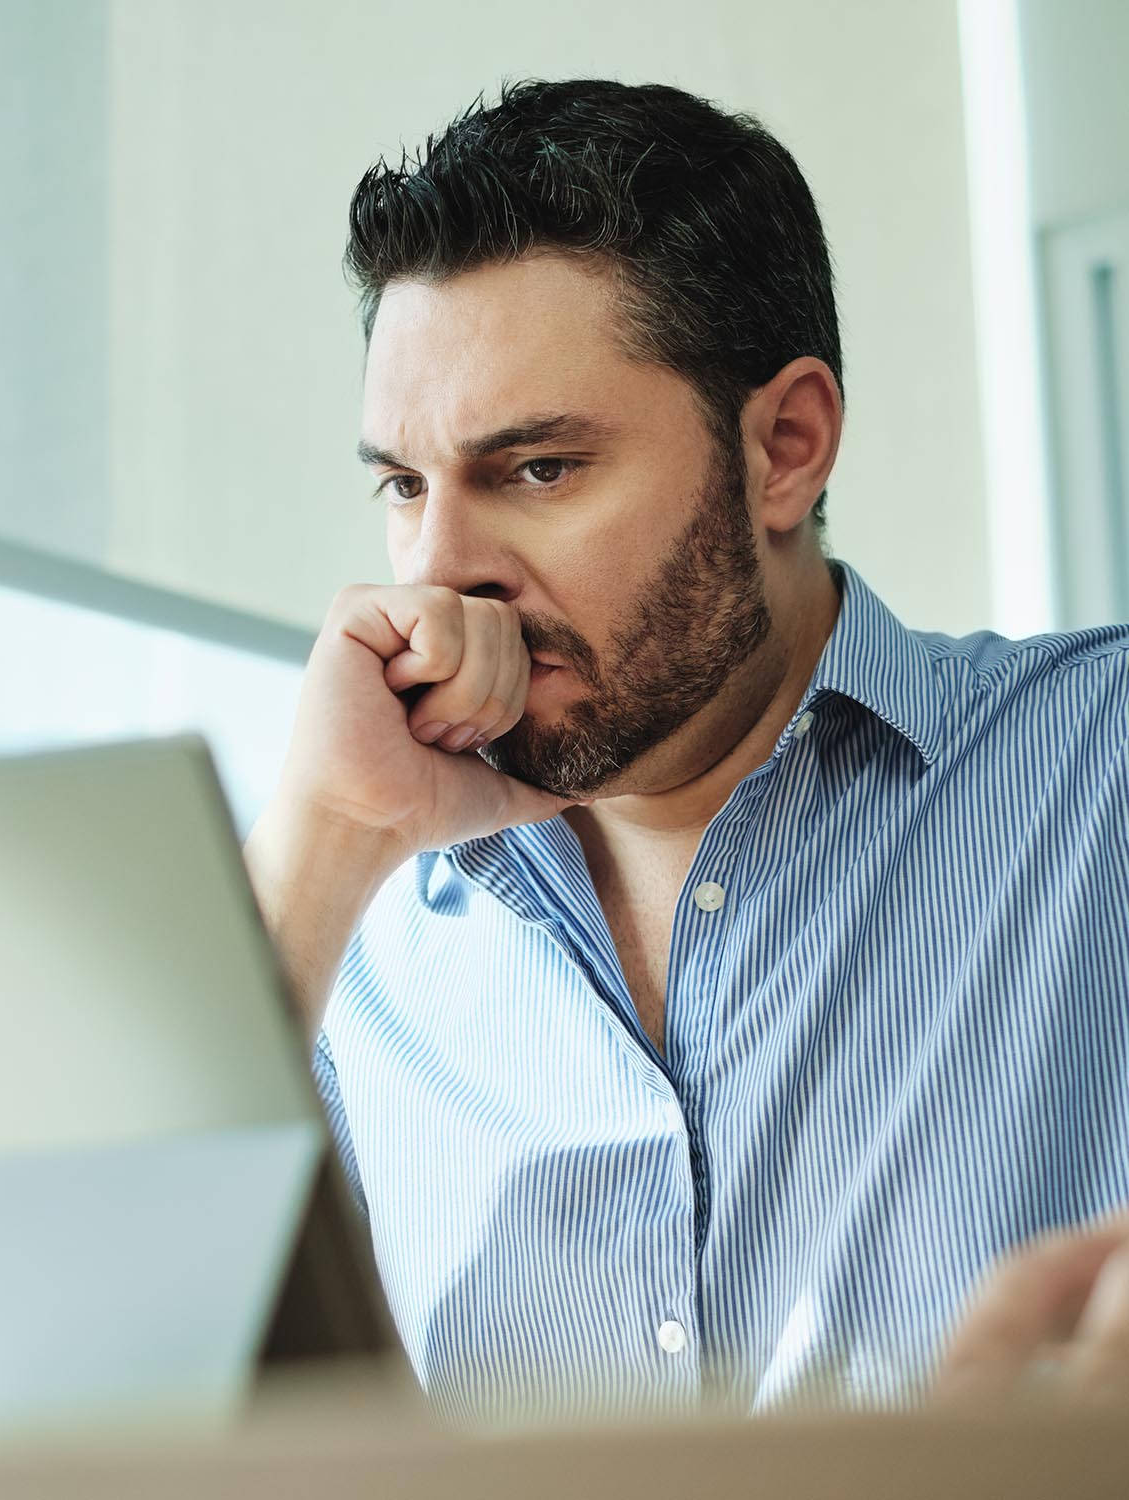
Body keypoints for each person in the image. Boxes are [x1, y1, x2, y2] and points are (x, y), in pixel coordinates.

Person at [243, 78, 1129, 1424]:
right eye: (405, 488)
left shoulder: (1102, 770)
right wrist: (323, 852)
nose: (439, 577)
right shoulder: (350, 943)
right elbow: (54, 1395)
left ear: (785, 446)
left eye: (536, 471)